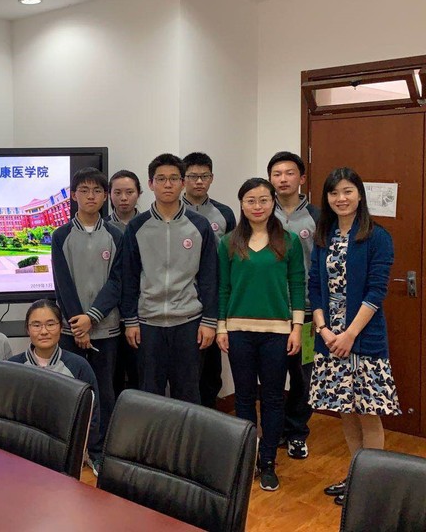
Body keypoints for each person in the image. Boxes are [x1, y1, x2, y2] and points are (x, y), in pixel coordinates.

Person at [308, 167, 399, 506]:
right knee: (345, 411)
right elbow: (314, 287)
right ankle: (356, 478)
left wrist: (349, 334)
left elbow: (376, 292)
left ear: (359, 194)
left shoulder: (377, 237)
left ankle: (373, 489)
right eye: (334, 193)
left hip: (362, 339)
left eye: (347, 191)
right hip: (329, 339)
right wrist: (323, 330)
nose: (341, 198)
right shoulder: (324, 235)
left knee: (367, 413)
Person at [216, 177, 305, 492]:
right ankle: (247, 460)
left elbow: (297, 285)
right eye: (251, 200)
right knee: (243, 398)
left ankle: (268, 462)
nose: (258, 206)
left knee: (272, 398)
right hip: (238, 331)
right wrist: (222, 327)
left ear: (273, 202)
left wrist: (296, 328)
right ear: (241, 204)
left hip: (277, 333)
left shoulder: (289, 241)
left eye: (264, 200)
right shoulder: (228, 242)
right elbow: (223, 288)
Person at [121, 153, 218, 405]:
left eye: (174, 178)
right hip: (147, 323)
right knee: (149, 396)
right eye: (161, 179)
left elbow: (209, 276)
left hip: (189, 322)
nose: (167, 184)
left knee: (188, 395)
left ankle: (187, 434)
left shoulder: (200, 225)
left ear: (182, 183)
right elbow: (129, 276)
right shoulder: (137, 226)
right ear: (151, 183)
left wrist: (209, 321)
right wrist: (130, 320)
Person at [52, 167, 122, 473]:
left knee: (104, 392)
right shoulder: (61, 235)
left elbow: (118, 281)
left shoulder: (117, 235)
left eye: (96, 191)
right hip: (71, 331)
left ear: (105, 196)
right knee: (72, 390)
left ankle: (98, 451)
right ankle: (71, 449)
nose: (90, 196)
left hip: (106, 330)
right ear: (74, 195)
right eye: (84, 190)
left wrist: (91, 319)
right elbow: (62, 283)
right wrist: (77, 325)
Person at [268, 151, 320, 459]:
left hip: (308, 311)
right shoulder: (261, 211)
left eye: (289, 173)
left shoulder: (317, 216)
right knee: (272, 374)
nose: (283, 179)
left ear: (301, 178)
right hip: (271, 311)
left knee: (304, 376)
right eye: (277, 174)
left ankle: (297, 432)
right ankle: (274, 430)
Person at [9, 299, 101, 472]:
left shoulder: (79, 366)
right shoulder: (12, 367)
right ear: (27, 329)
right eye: (36, 325)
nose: (44, 331)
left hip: (66, 455)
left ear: (61, 327)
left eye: (50, 324)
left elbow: (92, 417)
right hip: (21, 455)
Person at [182, 151, 237, 410]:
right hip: (182, 299)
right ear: (183, 179)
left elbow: (234, 256)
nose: (198, 181)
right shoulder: (172, 211)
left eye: (204, 176)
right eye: (193, 176)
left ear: (212, 178)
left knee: (211, 369)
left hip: (214, 297)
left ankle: (208, 418)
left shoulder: (224, 213)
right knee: (186, 369)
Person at [106, 169, 141, 396]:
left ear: (139, 193)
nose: (123, 198)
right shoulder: (102, 227)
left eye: (129, 192)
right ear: (109, 195)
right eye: (117, 193)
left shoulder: (148, 224)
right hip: (109, 316)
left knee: (140, 375)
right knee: (112, 377)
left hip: (141, 314)